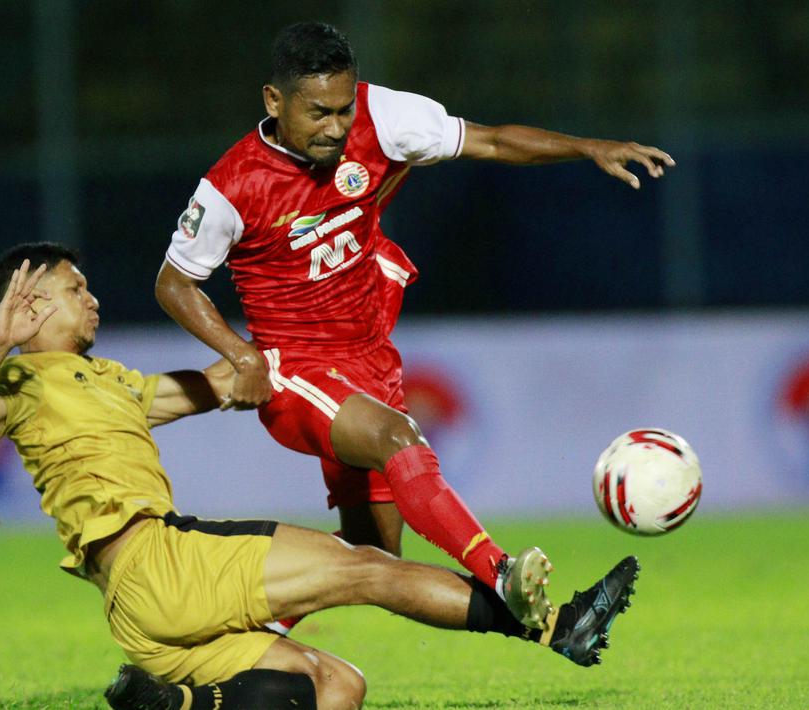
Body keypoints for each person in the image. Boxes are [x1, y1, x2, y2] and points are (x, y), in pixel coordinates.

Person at [0, 243, 640, 710]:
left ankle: (180, 703)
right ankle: (553, 627)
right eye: (72, 288)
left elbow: (214, 384)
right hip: (155, 558)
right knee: (364, 568)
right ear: (28, 307)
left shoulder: (109, 380)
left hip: (140, 615)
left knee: (339, 686)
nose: (91, 298)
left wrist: (288, 334)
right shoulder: (23, 376)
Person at [154, 22, 673, 633]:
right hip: (295, 368)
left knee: (369, 560)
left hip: (371, 358)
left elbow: (495, 142)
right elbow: (173, 283)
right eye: (318, 112)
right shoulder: (231, 185)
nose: (335, 127)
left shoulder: (384, 117)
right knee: (400, 438)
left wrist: (587, 147)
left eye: (343, 109)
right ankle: (504, 572)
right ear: (274, 101)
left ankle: (219, 643)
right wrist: (241, 356)